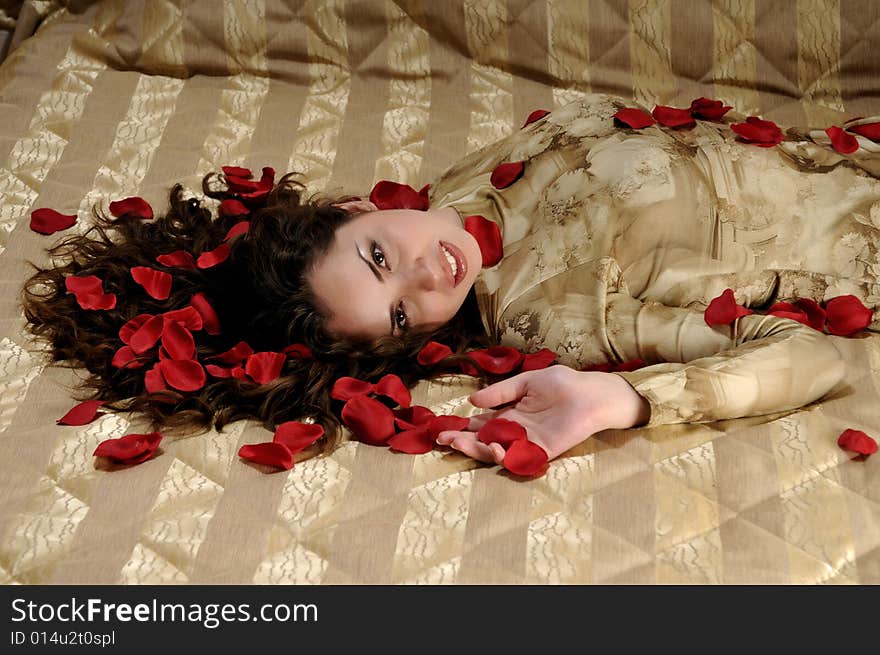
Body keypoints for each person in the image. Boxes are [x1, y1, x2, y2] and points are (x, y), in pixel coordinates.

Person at [22, 92, 880, 470]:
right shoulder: (557, 317)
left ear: (359, 204)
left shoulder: (470, 183)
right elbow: (814, 357)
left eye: (378, 255)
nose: (431, 277)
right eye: (401, 311)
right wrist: (628, 401)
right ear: (410, 340)